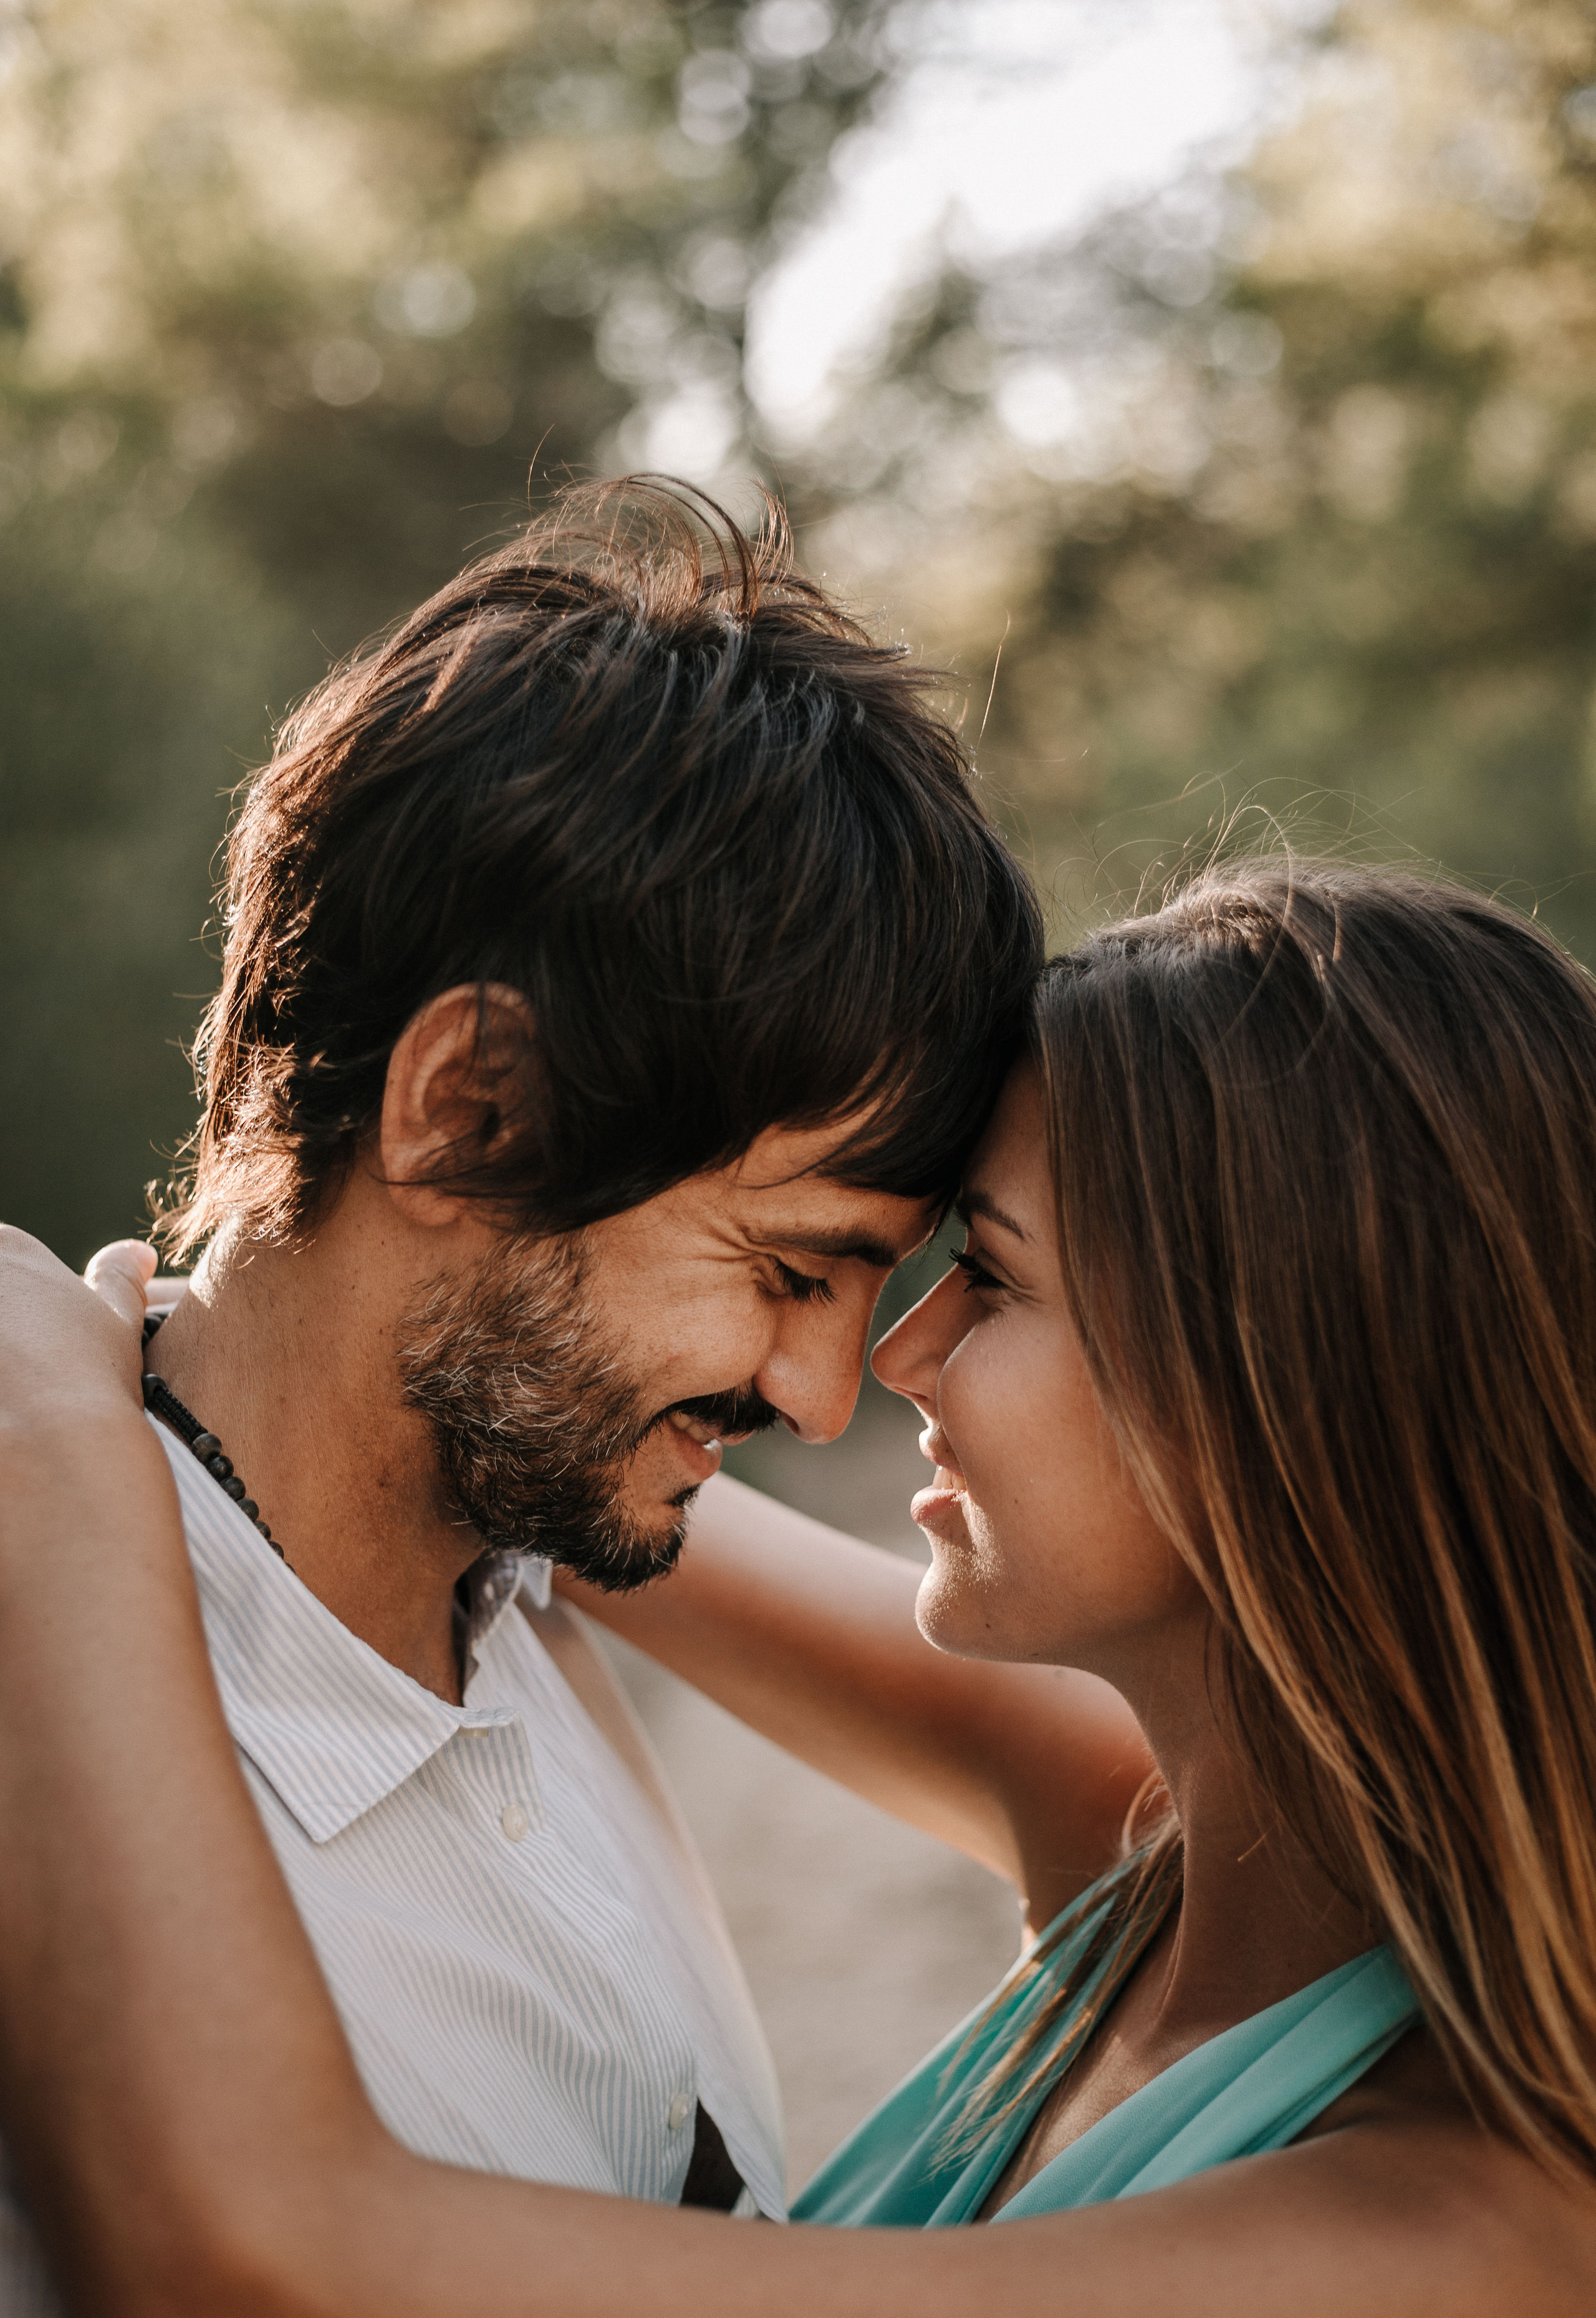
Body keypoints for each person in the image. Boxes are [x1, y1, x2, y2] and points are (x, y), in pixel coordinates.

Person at [2, 858, 1595, 2314]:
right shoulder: (1184, 1869)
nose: (882, 1365)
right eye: (815, 1276)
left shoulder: (1459, 2242)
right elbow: (479, 1422)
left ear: (1283, 1404)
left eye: (990, 1274)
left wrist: (65, 1466)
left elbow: (250, 2257)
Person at [0, 477, 1048, 2304]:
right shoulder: (63, 1737)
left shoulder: (525, 1570)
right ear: (469, 1107)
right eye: (788, 1271)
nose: (821, 1403)